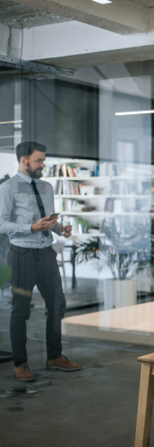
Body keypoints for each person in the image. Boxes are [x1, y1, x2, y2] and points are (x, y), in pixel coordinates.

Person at [0, 141, 81, 382]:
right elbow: (1, 223)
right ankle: (20, 363)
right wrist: (31, 227)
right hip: (22, 255)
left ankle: (54, 357)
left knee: (57, 305)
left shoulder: (47, 187)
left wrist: (60, 229)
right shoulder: (8, 188)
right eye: (39, 160)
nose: (43, 164)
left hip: (46, 253)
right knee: (21, 310)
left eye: (44, 160)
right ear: (24, 160)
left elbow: (49, 221)